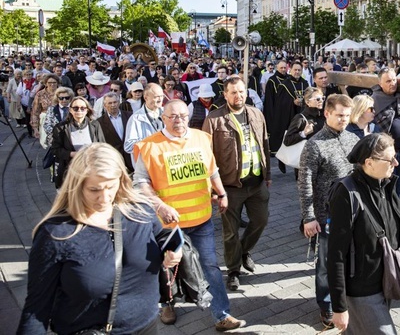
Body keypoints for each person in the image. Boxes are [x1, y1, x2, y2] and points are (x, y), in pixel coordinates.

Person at [17, 143, 182, 334]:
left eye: (110, 186)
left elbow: (160, 236)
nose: (104, 198)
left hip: (146, 326)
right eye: (94, 190)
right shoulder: (56, 233)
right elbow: (36, 310)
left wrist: (170, 251)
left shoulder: (140, 210)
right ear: (76, 186)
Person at [132, 99, 245, 331]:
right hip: (168, 225)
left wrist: (222, 193)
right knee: (167, 268)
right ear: (162, 118)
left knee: (210, 267)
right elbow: (140, 182)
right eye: (172, 116)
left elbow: (211, 170)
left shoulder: (201, 138)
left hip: (201, 220)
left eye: (183, 116)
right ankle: (167, 304)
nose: (178, 121)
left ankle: (221, 315)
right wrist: (159, 205)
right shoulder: (150, 147)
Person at [328, 133, 400, 334]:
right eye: (390, 159)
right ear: (369, 163)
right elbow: (336, 254)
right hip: (362, 289)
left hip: (385, 281)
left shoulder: (385, 185)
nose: (396, 163)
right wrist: (339, 306)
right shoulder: (346, 193)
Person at [203, 76, 271, 292]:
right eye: (233, 92)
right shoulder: (214, 119)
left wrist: (267, 174)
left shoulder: (256, 113)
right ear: (225, 94)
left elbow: (264, 144)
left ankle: (243, 251)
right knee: (230, 232)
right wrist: (212, 188)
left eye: (241, 91)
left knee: (260, 220)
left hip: (256, 181)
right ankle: (233, 270)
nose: (238, 96)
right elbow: (206, 156)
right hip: (230, 185)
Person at [297, 94, 359, 329]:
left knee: (350, 260)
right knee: (325, 264)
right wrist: (309, 217)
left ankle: (347, 300)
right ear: (327, 113)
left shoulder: (353, 138)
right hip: (327, 216)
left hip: (353, 213)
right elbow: (305, 183)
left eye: (347, 115)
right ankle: (326, 306)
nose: (344, 120)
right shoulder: (314, 144)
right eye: (340, 115)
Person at [49, 97, 106, 188]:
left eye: (82, 108)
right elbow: (55, 149)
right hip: (70, 169)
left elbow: (102, 146)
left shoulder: (95, 125)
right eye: (75, 108)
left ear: (87, 110)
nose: (79, 110)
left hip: (91, 168)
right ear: (70, 110)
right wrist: (72, 154)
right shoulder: (60, 128)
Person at [284, 87, 326, 178]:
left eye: (323, 98)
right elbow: (287, 140)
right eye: (317, 99)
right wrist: (304, 133)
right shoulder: (300, 118)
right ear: (307, 102)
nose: (321, 101)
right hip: (306, 164)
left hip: (323, 161)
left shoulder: (324, 116)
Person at [263, 60, 296, 174]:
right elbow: (269, 100)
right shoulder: (272, 81)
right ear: (277, 68)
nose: (283, 70)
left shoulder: (289, 79)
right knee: (280, 136)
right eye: (281, 68)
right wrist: (271, 116)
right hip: (277, 112)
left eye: (284, 68)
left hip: (290, 111)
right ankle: (280, 158)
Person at [94, 91, 134, 173]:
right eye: (110, 103)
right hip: (114, 160)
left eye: (115, 102)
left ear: (119, 102)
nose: (113, 105)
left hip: (131, 158)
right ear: (105, 106)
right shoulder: (99, 123)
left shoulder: (130, 116)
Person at [123, 83, 164, 161]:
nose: (160, 100)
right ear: (146, 98)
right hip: (147, 166)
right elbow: (128, 146)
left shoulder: (167, 113)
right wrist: (151, 142)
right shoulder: (136, 118)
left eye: (161, 96)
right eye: (156, 97)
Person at [31, 74, 60, 139]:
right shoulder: (40, 94)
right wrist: (35, 128)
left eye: (54, 82)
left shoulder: (62, 93)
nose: (52, 84)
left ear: (57, 83)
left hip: (60, 121)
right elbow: (35, 112)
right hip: (45, 121)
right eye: (49, 82)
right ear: (46, 84)